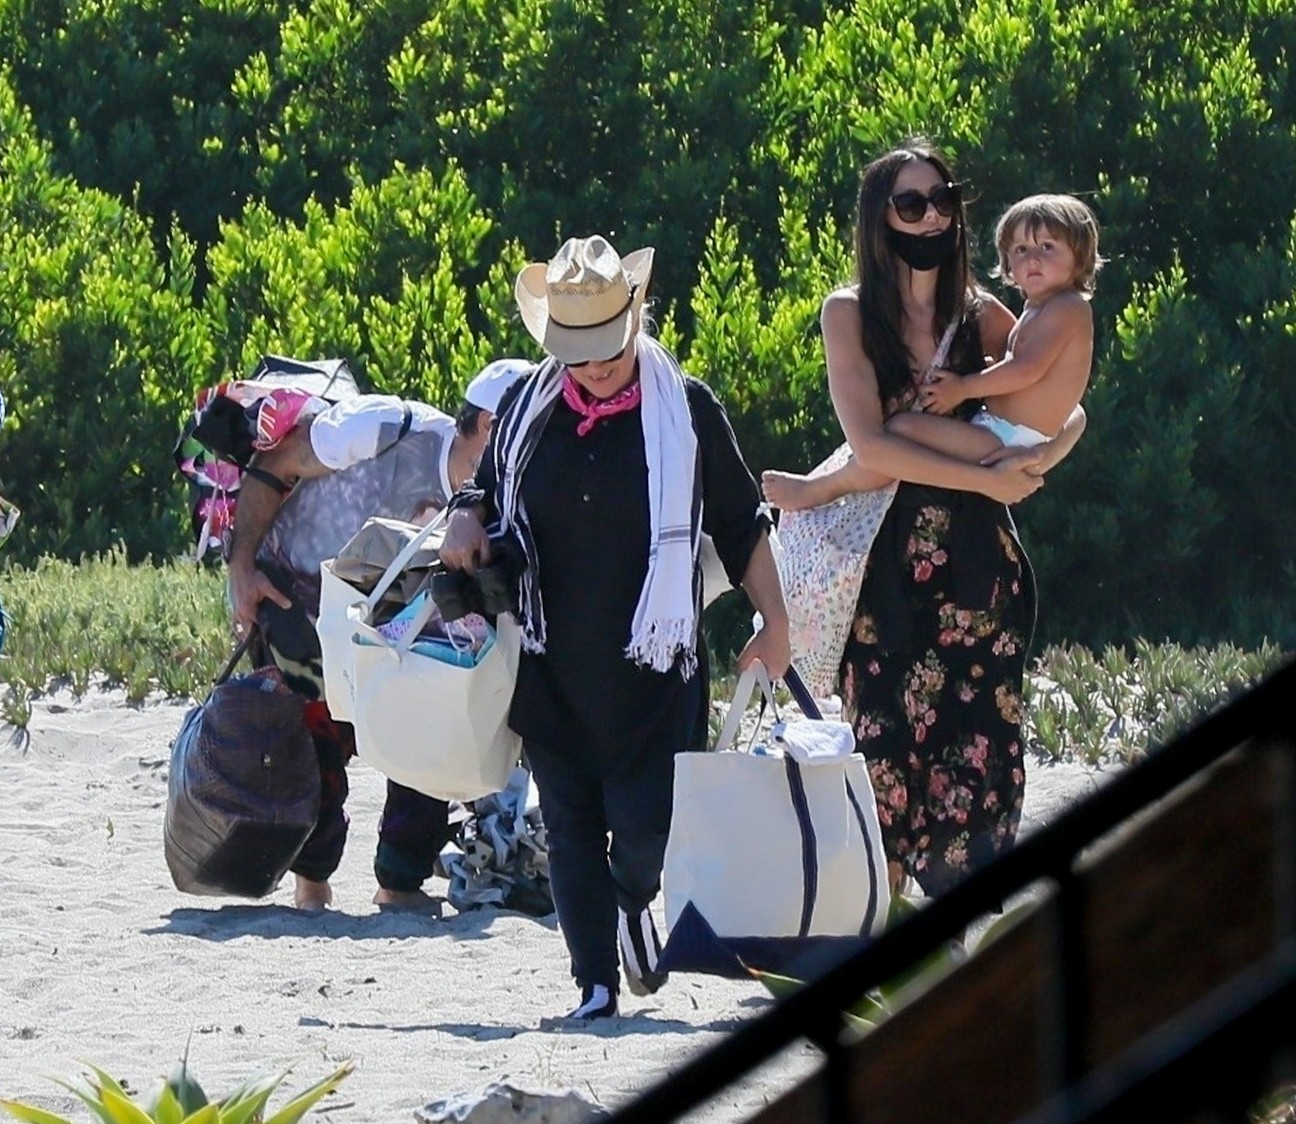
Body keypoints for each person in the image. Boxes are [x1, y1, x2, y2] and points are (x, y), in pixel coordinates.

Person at [439, 235, 792, 1023]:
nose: (595, 368)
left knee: (643, 833)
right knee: (569, 830)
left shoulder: (688, 408)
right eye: (579, 354)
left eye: (607, 349)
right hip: (551, 658)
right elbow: (486, 493)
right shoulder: (528, 412)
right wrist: (464, 519)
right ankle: (594, 986)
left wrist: (775, 622)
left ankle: (636, 902)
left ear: (636, 318)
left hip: (654, 667)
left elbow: (741, 526)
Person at [766, 140, 1086, 901]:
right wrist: (990, 477)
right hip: (881, 566)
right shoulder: (848, 313)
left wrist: (1031, 467)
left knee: (978, 753)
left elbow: (1063, 404)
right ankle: (881, 922)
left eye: (944, 199)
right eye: (912, 204)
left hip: (978, 566)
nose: (933, 215)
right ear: (881, 220)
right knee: (880, 751)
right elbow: (874, 441)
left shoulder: (985, 317)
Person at [225, 360, 524, 913]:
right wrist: (242, 566)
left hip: (403, 634)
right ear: (487, 426)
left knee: (434, 722)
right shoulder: (385, 429)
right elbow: (277, 462)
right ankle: (311, 887)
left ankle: (400, 883)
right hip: (299, 598)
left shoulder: (513, 504)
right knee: (308, 752)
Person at [762, 192, 1100, 512]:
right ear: (1007, 264)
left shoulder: (1066, 308)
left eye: (1048, 247)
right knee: (891, 440)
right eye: (1022, 249)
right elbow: (1028, 380)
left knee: (900, 433)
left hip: (1003, 440)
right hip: (998, 434)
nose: (1034, 258)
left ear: (1080, 256)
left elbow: (1031, 373)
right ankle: (826, 486)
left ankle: (825, 488)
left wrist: (967, 388)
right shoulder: (1034, 310)